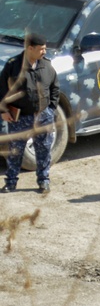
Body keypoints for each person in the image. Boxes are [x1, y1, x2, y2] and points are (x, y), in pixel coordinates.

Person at [0, 33, 59, 194]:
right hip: (20, 118)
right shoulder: (13, 65)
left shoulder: (46, 65)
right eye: (41, 49)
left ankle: (44, 180)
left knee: (44, 149)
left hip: (43, 116)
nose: (44, 52)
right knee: (15, 151)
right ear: (30, 48)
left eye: (45, 49)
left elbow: (55, 88)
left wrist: (51, 109)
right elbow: (2, 90)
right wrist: (4, 111)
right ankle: (11, 182)